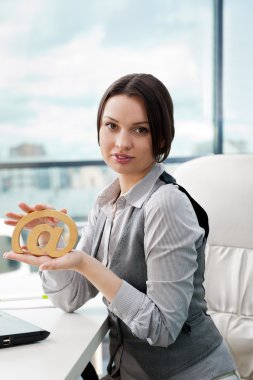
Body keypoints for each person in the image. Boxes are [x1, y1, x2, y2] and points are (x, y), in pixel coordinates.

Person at [3, 73, 239, 380]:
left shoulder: (165, 204)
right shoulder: (107, 202)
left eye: (140, 130)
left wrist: (87, 264)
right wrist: (56, 253)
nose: (122, 142)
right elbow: (68, 298)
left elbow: (163, 328)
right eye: (111, 126)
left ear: (162, 139)